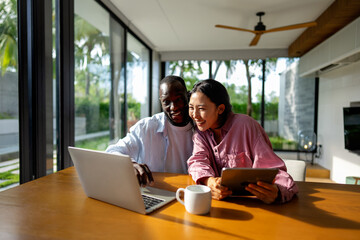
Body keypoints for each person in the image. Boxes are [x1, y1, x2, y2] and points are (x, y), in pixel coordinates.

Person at [187, 79, 298, 204]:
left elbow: (275, 171)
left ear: (220, 109)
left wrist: (277, 191)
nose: (194, 115)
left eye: (201, 108)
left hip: (255, 205)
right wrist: (209, 181)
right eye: (191, 108)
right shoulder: (200, 132)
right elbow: (197, 161)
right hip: (221, 205)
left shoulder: (246, 126)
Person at [106, 75, 193, 186]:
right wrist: (129, 164)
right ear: (161, 102)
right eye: (166, 102)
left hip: (187, 192)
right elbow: (112, 151)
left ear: (188, 95)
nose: (173, 107)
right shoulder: (146, 127)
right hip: (154, 192)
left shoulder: (200, 128)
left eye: (179, 99)